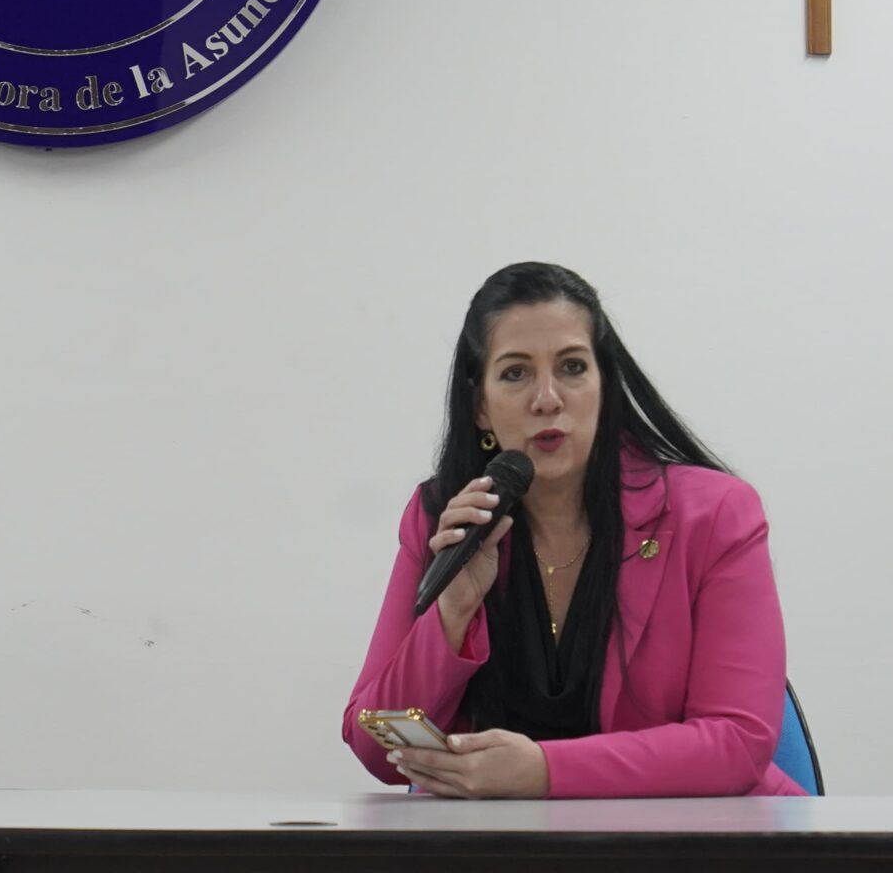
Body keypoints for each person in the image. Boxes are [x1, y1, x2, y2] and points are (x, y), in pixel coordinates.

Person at [343, 263, 802, 798]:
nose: (547, 398)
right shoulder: (444, 518)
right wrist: (452, 612)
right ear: (480, 408)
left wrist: (544, 771)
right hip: (501, 840)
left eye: (572, 367)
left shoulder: (714, 514)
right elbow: (375, 742)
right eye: (515, 373)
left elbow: (738, 743)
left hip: (695, 835)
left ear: (604, 385)